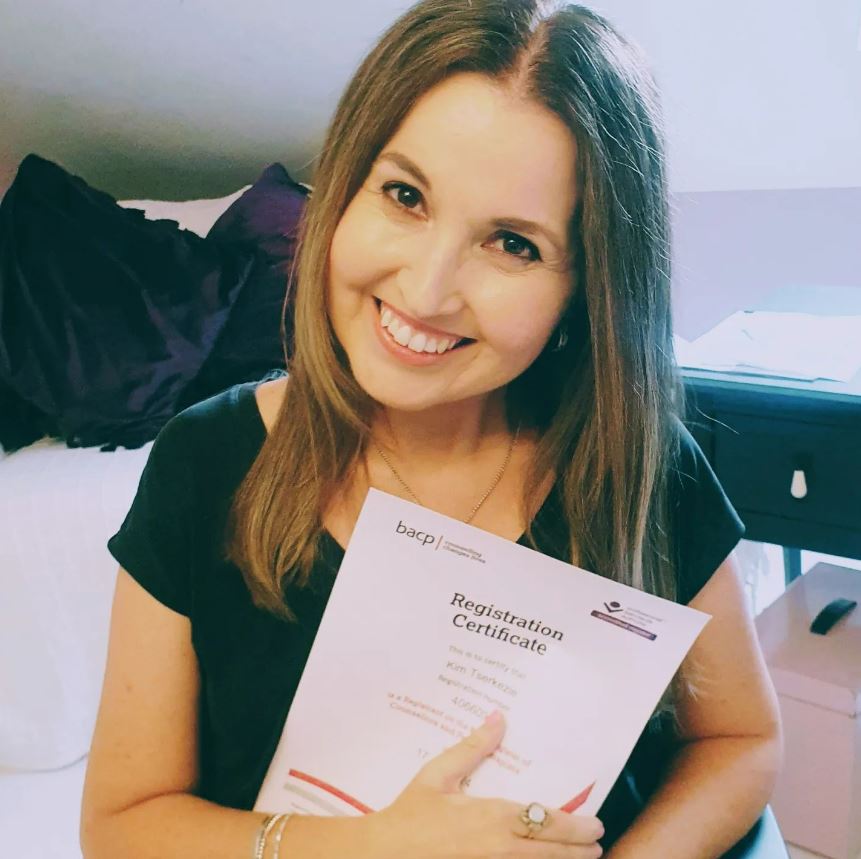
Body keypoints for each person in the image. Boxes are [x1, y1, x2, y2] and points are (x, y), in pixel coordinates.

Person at [80, 1, 783, 857]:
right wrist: (371, 846)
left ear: (583, 290)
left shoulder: (636, 464)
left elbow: (740, 741)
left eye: (513, 245)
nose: (426, 288)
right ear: (343, 187)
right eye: (404, 195)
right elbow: (121, 825)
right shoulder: (206, 459)